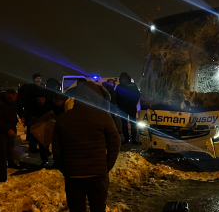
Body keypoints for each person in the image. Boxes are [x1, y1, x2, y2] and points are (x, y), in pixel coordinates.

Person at [53, 81, 120, 212]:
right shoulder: (103, 116)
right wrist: (107, 165)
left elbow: (56, 147)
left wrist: (64, 167)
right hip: (97, 174)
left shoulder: (63, 119)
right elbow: (115, 142)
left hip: (73, 174)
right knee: (98, 208)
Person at [0, 89, 24, 169]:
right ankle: (0, 163)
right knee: (1, 145)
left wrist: (22, 116)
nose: (13, 101)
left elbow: (19, 109)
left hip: (11, 123)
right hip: (0, 126)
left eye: (15, 99)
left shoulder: (16, 100)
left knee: (10, 144)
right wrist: (7, 129)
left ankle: (11, 162)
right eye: (11, 100)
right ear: (6, 97)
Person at [19, 73, 44, 153]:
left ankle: (40, 146)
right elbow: (24, 100)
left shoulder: (42, 87)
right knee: (33, 130)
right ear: (33, 79)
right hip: (31, 112)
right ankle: (32, 147)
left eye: (40, 78)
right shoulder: (29, 88)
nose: (38, 80)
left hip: (40, 112)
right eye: (37, 78)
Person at [115, 72, 141, 145]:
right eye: (123, 79)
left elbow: (137, 95)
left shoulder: (133, 86)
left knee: (133, 124)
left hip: (131, 107)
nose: (124, 80)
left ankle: (133, 139)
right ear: (121, 79)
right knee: (124, 124)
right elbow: (117, 97)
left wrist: (134, 102)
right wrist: (119, 105)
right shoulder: (119, 86)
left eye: (126, 78)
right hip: (123, 108)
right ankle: (126, 138)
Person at [32, 92, 53, 168]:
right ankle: (44, 160)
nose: (41, 101)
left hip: (50, 125)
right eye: (39, 100)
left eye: (42, 99)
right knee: (42, 143)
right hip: (40, 126)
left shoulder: (50, 104)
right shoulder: (34, 106)